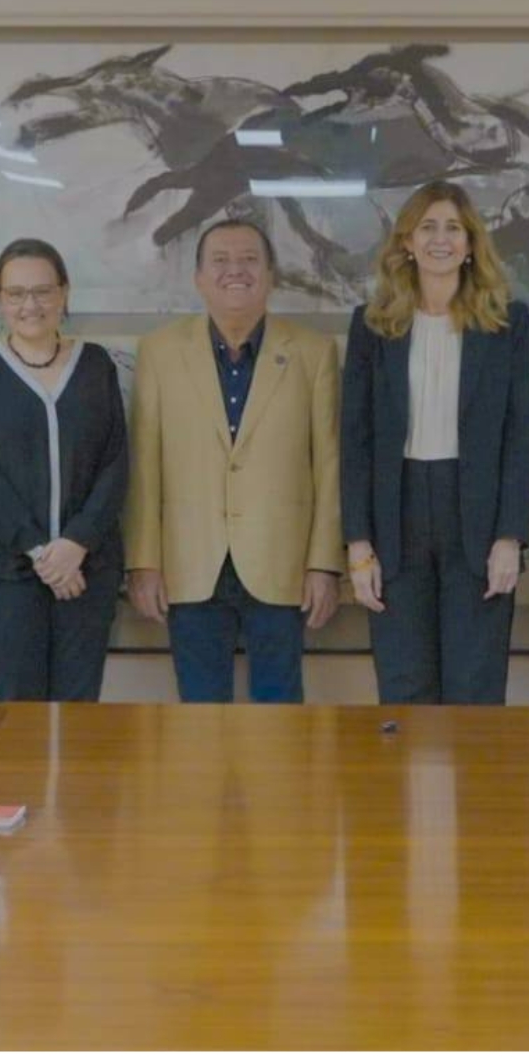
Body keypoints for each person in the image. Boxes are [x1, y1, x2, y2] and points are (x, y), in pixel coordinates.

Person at [126, 216, 341, 705]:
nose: (235, 271)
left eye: (249, 260)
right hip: (189, 564)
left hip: (282, 563)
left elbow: (328, 466)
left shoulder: (313, 352)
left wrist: (324, 564)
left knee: (280, 716)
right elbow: (145, 467)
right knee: (199, 718)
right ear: (199, 278)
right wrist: (144, 561)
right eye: (219, 261)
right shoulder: (159, 352)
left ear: (271, 275)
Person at [340, 180, 529, 705]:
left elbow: (519, 436)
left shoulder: (507, 323)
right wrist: (359, 544)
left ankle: (471, 792)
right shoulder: (372, 325)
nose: (440, 239)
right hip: (395, 519)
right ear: (407, 241)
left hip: (476, 520)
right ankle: (410, 792)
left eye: (454, 228)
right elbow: (354, 441)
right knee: (405, 685)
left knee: (474, 687)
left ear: (471, 244)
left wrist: (510, 536)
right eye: (427, 227)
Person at [0, 238, 127, 702]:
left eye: (43, 291)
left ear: (64, 294)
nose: (30, 304)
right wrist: (39, 551)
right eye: (15, 294)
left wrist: (76, 543)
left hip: (87, 572)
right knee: (17, 713)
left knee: (78, 709)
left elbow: (115, 463)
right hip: (6, 573)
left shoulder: (95, 366)